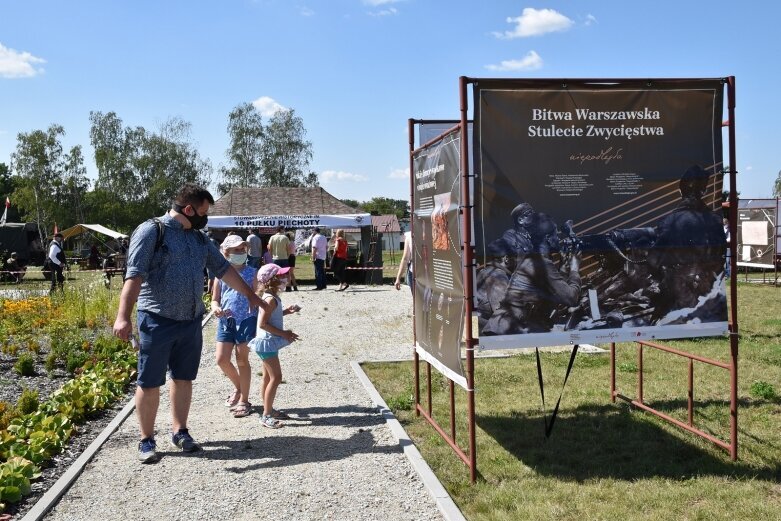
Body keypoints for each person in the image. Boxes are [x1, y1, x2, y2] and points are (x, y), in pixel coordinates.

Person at [113, 183, 265, 464]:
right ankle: (146, 440)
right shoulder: (151, 231)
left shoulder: (198, 239)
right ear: (188, 209)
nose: (205, 218)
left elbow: (223, 269)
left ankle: (180, 431)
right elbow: (134, 276)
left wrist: (250, 295)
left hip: (190, 321)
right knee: (149, 381)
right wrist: (123, 316)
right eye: (203, 212)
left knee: (183, 378)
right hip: (156, 320)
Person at [483, 213, 582, 334]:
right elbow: (570, 298)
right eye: (556, 234)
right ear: (547, 238)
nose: (558, 239)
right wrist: (575, 269)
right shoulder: (540, 263)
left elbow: (556, 292)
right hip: (505, 331)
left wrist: (564, 266)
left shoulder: (532, 260)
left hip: (503, 328)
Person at [210, 235, 258, 418]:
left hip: (246, 319)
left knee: (242, 360)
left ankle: (244, 400)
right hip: (226, 321)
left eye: (242, 249)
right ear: (226, 253)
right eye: (235, 250)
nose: (240, 253)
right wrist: (216, 308)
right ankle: (239, 388)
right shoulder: (220, 276)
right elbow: (215, 300)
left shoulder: (252, 272)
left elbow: (258, 295)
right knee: (221, 359)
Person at [249, 263, 300, 429]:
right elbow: (263, 324)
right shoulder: (270, 299)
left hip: (268, 342)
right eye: (280, 276)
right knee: (276, 377)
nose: (285, 278)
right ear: (271, 280)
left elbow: (271, 316)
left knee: (267, 377)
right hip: (266, 343)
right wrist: (284, 333)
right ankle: (266, 415)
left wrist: (286, 311)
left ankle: (268, 408)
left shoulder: (272, 297)